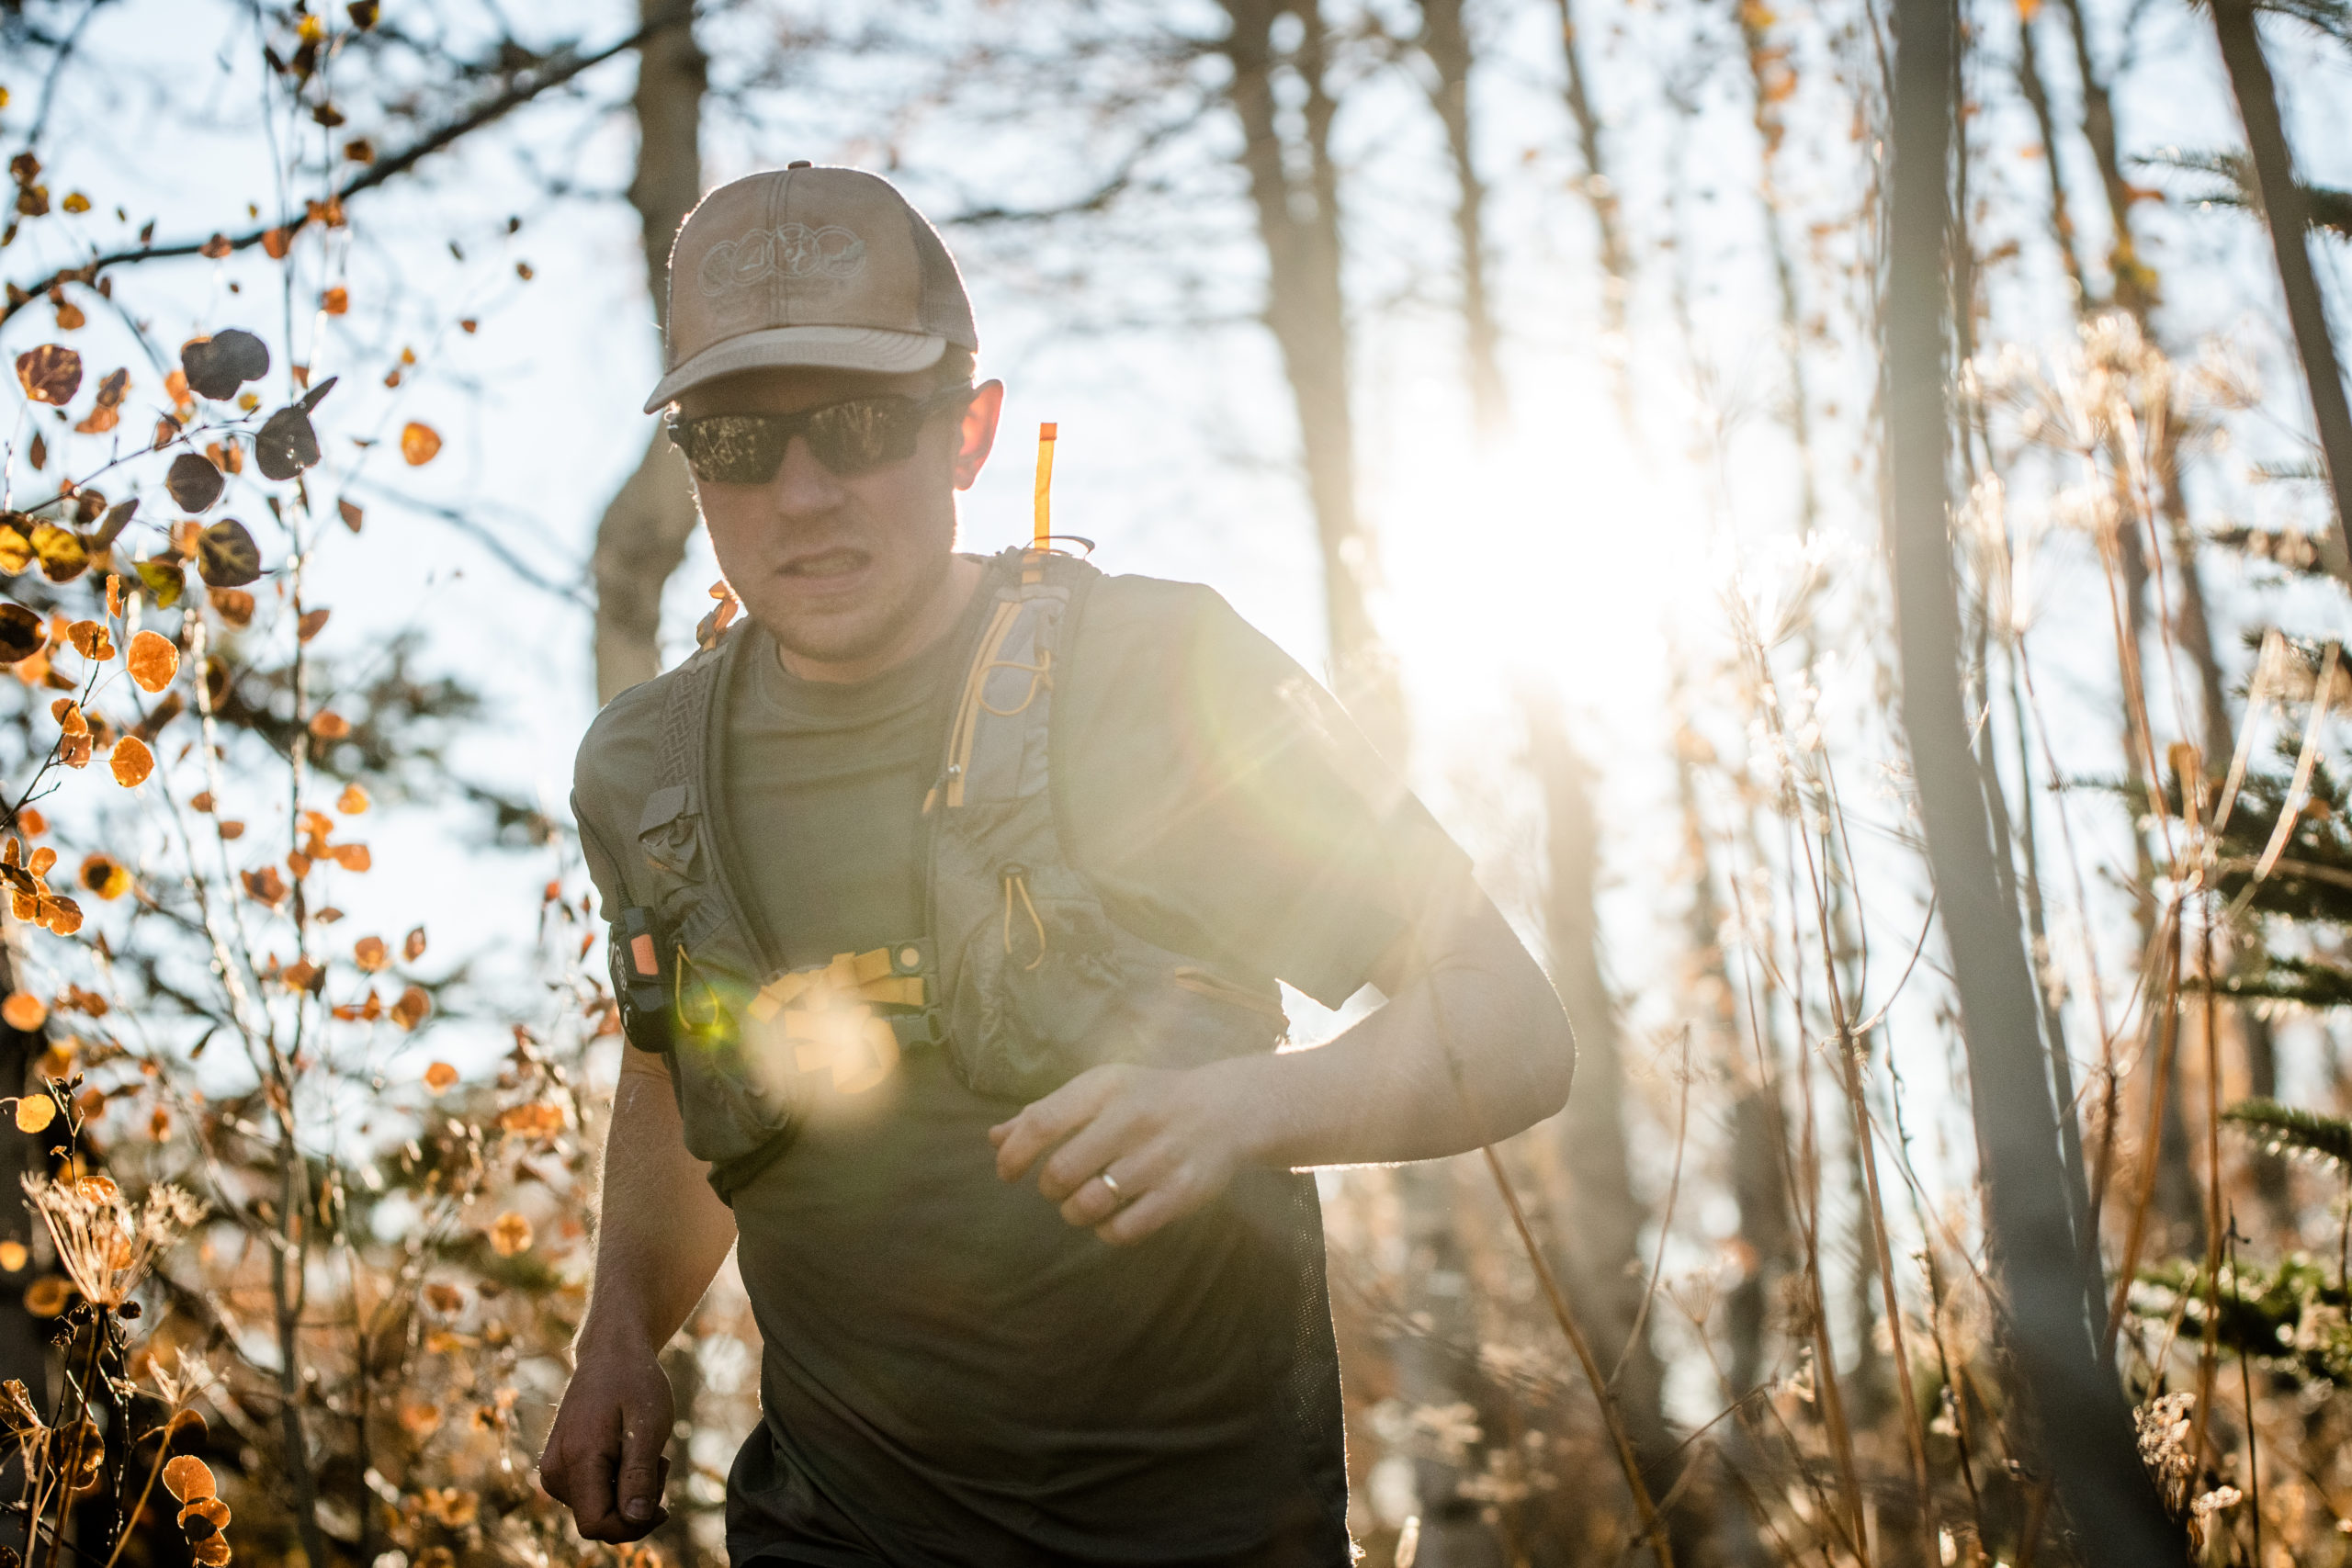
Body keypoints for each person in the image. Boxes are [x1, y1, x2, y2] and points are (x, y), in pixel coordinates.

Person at [538, 163, 1576, 1568]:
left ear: (969, 432)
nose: (802, 491)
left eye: (857, 424)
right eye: (735, 440)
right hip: (824, 1538)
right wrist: (619, 1333)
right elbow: (673, 1068)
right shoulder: (641, 768)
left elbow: (1510, 1027)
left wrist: (1238, 1111)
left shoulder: (1160, 675)